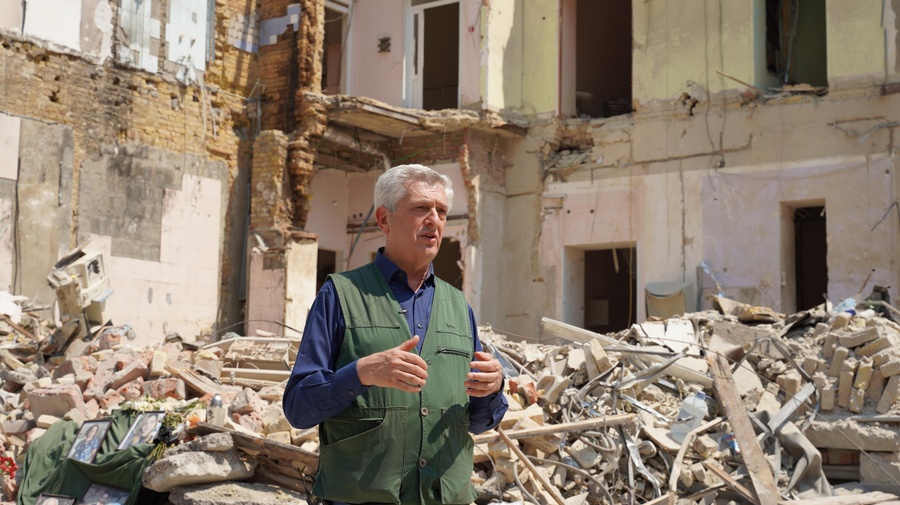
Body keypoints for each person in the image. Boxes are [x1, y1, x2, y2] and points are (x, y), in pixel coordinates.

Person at [283, 164, 509, 505]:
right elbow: (299, 408)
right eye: (420, 208)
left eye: (442, 211)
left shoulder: (459, 306)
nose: (434, 219)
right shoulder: (339, 295)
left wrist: (491, 389)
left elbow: (478, 422)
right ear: (384, 220)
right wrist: (361, 373)